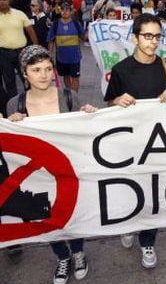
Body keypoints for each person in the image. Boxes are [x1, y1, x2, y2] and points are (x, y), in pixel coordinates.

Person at [7, 44, 97, 284]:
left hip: (67, 170)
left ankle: (78, 252)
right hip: (37, 177)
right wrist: (11, 124)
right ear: (24, 73)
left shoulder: (68, 96)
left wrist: (89, 115)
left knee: (73, 214)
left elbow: (81, 134)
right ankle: (62, 256)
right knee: (45, 218)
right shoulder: (14, 104)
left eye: (48, 68)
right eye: (36, 70)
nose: (44, 75)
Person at [104, 13, 166, 269]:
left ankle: (148, 240)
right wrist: (116, 101)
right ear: (135, 38)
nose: (153, 42)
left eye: (157, 36)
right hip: (129, 147)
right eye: (148, 36)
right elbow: (109, 104)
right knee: (130, 193)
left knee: (154, 197)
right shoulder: (120, 70)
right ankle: (128, 225)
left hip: (158, 145)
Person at [0, 0, 38, 100]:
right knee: (9, 81)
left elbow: (30, 31)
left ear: (9, 0)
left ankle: (32, 102)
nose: (2, 1)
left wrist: (36, 47)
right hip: (3, 54)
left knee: (27, 78)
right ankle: (15, 106)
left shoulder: (19, 14)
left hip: (21, 52)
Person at [47, 2, 85, 92]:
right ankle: (69, 94)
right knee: (65, 76)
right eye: (63, 10)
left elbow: (84, 36)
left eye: (67, 10)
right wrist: (49, 55)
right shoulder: (55, 25)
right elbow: (51, 41)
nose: (65, 12)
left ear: (71, 11)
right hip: (61, 58)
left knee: (75, 77)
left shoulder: (76, 23)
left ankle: (74, 96)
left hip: (75, 57)